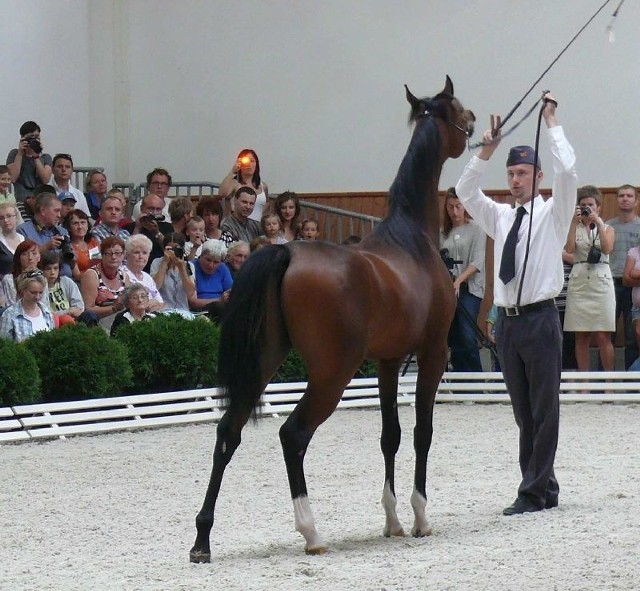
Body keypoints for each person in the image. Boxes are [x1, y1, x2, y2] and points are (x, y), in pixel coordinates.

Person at [455, 92, 577, 515]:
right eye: (511, 174)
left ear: (538, 176)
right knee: (525, 415)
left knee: (545, 410)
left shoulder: (554, 213)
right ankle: (547, 486)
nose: (516, 180)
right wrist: (486, 150)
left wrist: (552, 121)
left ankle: (532, 492)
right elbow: (464, 189)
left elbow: (570, 172)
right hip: (508, 324)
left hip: (541, 319)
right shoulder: (501, 217)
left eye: (523, 173)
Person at [564, 186, 615, 371]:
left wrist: (598, 223)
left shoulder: (607, 227)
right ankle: (582, 383)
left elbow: (608, 248)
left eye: (590, 205)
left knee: (603, 336)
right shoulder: (574, 226)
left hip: (600, 282)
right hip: (579, 283)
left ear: (598, 206)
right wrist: (572, 222)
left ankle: (609, 385)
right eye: (583, 205)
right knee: (581, 336)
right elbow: (569, 249)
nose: (587, 208)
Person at [439, 187, 486, 372]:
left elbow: (477, 261)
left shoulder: (476, 229)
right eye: (451, 207)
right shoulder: (443, 233)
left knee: (467, 334)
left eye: (458, 206)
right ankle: (460, 380)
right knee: (453, 335)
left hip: (469, 287)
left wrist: (458, 281)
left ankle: (476, 381)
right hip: (448, 288)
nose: (455, 212)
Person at [605, 184, 640, 369]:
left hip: (634, 287)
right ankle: (605, 380)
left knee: (632, 335)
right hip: (609, 284)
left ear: (636, 200)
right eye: (621, 195)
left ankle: (630, 378)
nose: (625, 198)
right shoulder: (608, 226)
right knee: (606, 332)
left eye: (629, 195)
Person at [17, 185, 74, 278]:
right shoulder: (23, 230)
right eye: (56, 211)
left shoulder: (62, 231)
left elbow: (73, 264)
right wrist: (46, 247)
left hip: (65, 282)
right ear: (43, 211)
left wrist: (71, 255)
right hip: (36, 282)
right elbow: (22, 261)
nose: (59, 215)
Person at [80, 236, 128, 330]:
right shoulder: (92, 275)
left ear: (123, 255)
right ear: (102, 255)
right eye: (108, 253)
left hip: (122, 322)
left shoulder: (125, 275)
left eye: (117, 253)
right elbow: (88, 310)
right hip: (99, 324)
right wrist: (113, 308)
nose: (113, 257)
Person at [41, 251, 98, 326]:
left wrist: (72, 312)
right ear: (41, 270)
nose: (52, 272)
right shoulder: (40, 288)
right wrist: (67, 312)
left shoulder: (66, 281)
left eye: (55, 268)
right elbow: (45, 312)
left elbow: (79, 305)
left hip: (74, 317)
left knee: (90, 314)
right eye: (48, 269)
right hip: (54, 322)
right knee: (66, 320)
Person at [5, 121, 53, 203]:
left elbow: (45, 179)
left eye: (37, 137)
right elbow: (12, 178)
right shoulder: (14, 154)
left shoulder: (45, 157)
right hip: (21, 199)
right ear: (23, 138)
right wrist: (20, 153)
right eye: (31, 137)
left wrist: (36, 155)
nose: (35, 140)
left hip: (40, 200)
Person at [0, 271, 55, 342]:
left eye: (40, 292)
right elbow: (4, 346)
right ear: (23, 290)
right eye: (33, 292)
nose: (37, 297)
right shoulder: (9, 314)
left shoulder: (47, 312)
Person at [124, 193, 173, 271]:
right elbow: (127, 251)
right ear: (141, 208)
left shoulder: (167, 227)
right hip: (136, 268)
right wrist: (138, 227)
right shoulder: (129, 227)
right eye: (151, 208)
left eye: (158, 209)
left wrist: (156, 232)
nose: (154, 212)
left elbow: (170, 249)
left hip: (160, 269)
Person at [150, 233, 196, 315]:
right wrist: (164, 263)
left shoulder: (189, 265)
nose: (173, 252)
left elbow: (191, 292)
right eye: (170, 249)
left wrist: (181, 267)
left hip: (183, 311)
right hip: (163, 310)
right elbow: (154, 288)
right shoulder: (157, 262)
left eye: (176, 249)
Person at [218, 149, 269, 222]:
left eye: (252, 161)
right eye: (246, 161)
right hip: (239, 226)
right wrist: (233, 171)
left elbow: (267, 204)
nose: (249, 165)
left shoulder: (263, 186)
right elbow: (222, 193)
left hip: (258, 226)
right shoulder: (235, 183)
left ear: (256, 164)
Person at [189, 239, 232, 320]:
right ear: (201, 256)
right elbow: (192, 302)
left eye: (216, 262)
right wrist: (219, 300)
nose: (211, 265)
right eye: (208, 260)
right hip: (200, 311)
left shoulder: (222, 268)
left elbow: (231, 291)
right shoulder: (191, 267)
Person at [122, 234, 164, 312]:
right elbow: (131, 303)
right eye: (136, 252)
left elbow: (161, 303)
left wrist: (154, 303)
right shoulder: (122, 274)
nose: (141, 256)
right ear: (127, 255)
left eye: (144, 253)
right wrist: (150, 303)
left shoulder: (147, 277)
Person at [1, 239, 46, 306]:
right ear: (18, 258)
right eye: (25, 254)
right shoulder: (9, 279)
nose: (30, 258)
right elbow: (11, 306)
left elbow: (45, 305)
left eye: (34, 253)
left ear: (39, 257)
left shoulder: (43, 278)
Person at [63, 209, 101, 280]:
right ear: (69, 227)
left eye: (83, 222)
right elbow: (77, 276)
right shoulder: (69, 247)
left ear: (87, 225)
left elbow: (97, 264)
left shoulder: (92, 243)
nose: (80, 227)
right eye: (75, 223)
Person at [0, 202, 25, 278]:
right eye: (1, 218)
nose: (5, 220)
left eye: (9, 216)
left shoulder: (24, 239)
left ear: (16, 217)